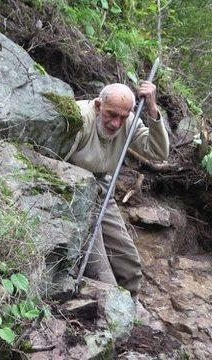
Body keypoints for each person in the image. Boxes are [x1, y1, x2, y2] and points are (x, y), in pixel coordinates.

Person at [63, 81, 169, 300]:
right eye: (111, 114)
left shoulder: (128, 121)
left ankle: (132, 310)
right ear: (98, 105)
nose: (115, 123)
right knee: (101, 271)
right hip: (75, 191)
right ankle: (108, 310)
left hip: (104, 189)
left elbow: (158, 152)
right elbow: (56, 162)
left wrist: (151, 108)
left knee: (129, 263)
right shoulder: (80, 118)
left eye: (122, 117)